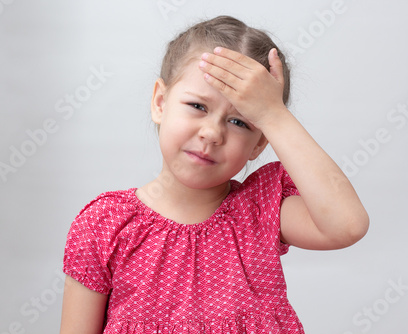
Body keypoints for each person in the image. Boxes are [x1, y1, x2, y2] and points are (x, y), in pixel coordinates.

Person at [59, 15, 369, 334]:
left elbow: (347, 225)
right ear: (160, 102)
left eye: (240, 122)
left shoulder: (261, 212)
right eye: (198, 106)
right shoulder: (105, 225)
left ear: (260, 142)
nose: (212, 133)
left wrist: (273, 115)